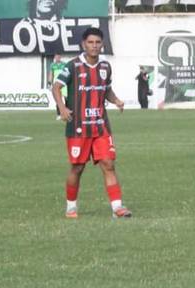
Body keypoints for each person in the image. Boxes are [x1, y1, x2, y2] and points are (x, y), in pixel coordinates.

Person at [51, 27, 131, 219]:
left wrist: (116, 100)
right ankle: (71, 207)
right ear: (83, 44)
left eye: (97, 42)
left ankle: (117, 207)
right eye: (90, 42)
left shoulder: (105, 67)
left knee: (108, 164)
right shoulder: (72, 66)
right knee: (77, 168)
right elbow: (56, 87)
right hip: (78, 127)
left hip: (101, 125)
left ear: (102, 44)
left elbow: (107, 89)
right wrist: (62, 108)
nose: (94, 46)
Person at [48, 54, 66, 120]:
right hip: (56, 84)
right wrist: (49, 83)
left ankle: (67, 113)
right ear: (54, 57)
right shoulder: (52, 65)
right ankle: (59, 114)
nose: (57, 58)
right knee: (58, 99)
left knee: (67, 98)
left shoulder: (64, 64)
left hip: (64, 84)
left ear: (60, 57)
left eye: (58, 57)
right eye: (56, 57)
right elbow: (51, 74)